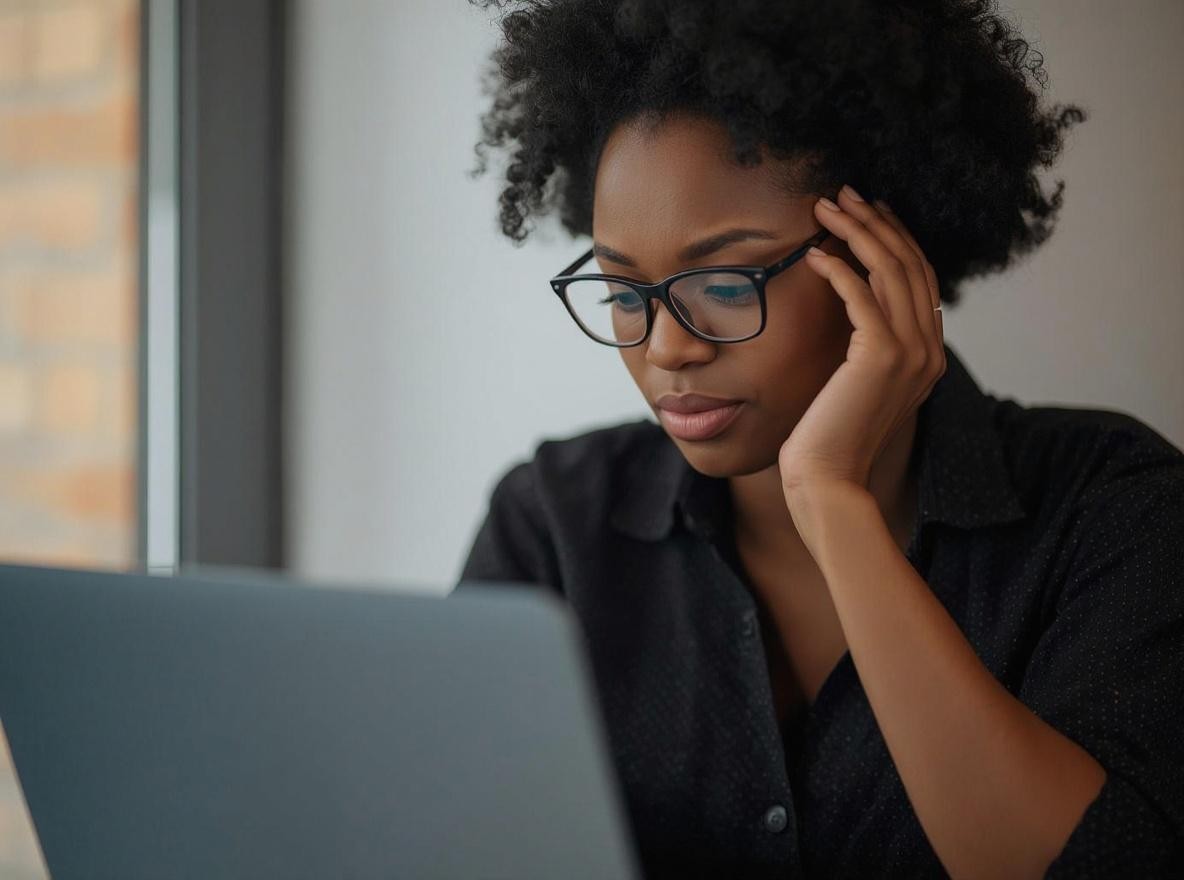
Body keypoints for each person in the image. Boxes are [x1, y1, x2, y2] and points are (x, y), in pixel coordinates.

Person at [458, 1, 1184, 877]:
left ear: (884, 257)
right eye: (622, 292)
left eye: (728, 283)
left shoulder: (1111, 510)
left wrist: (831, 501)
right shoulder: (552, 527)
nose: (667, 348)